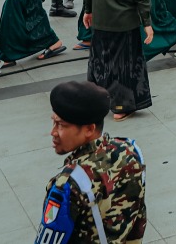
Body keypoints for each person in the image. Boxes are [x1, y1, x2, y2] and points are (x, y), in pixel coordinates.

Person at [35, 80, 147, 244]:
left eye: (61, 125)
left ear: (89, 129)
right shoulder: (131, 150)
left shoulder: (67, 184)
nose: (53, 132)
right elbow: (138, 219)